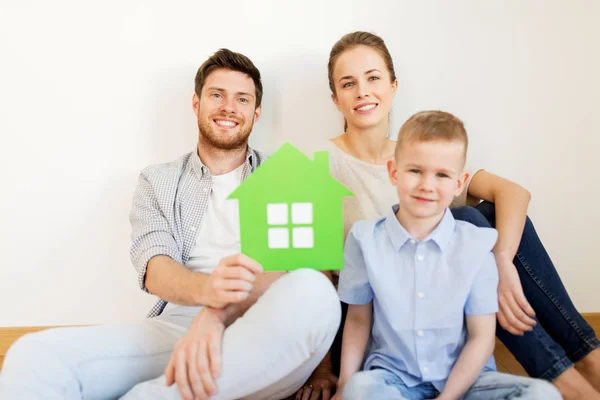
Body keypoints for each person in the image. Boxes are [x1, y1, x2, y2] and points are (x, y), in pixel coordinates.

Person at [0, 49, 341, 400]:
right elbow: (155, 268)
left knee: (313, 290)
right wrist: (208, 294)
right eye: (216, 95)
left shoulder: (289, 175)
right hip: (181, 326)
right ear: (196, 103)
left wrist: (324, 370)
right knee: (33, 357)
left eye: (242, 99)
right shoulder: (158, 180)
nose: (228, 107)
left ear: (256, 113)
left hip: (269, 329)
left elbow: (316, 273)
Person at [295, 31, 600, 400]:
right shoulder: (315, 164)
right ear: (335, 99)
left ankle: (588, 358)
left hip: (439, 303)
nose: (362, 91)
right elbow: (311, 270)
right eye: (349, 83)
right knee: (472, 220)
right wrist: (325, 370)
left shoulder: (421, 154)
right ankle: (570, 376)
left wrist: (500, 261)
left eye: (373, 78)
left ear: (393, 86)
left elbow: (514, 194)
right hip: (374, 316)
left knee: (480, 220)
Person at [333, 110, 560, 399]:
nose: (427, 185)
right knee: (359, 390)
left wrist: (448, 397)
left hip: (465, 383)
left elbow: (481, 337)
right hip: (392, 381)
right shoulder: (365, 239)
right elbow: (357, 320)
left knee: (542, 394)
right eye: (415, 171)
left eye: (441, 175)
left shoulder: (477, 245)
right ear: (394, 172)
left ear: (458, 183)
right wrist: (344, 384)